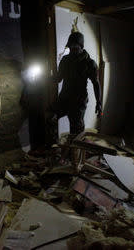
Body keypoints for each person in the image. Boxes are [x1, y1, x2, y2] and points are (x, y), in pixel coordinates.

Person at [48, 31, 102, 169]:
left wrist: (99, 103)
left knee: (76, 133)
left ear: (81, 47)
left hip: (78, 102)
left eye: (75, 48)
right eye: (70, 48)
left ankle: (76, 161)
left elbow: (96, 84)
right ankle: (57, 151)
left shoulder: (89, 63)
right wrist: (43, 78)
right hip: (64, 99)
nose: (72, 51)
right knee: (50, 117)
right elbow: (58, 78)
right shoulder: (65, 60)